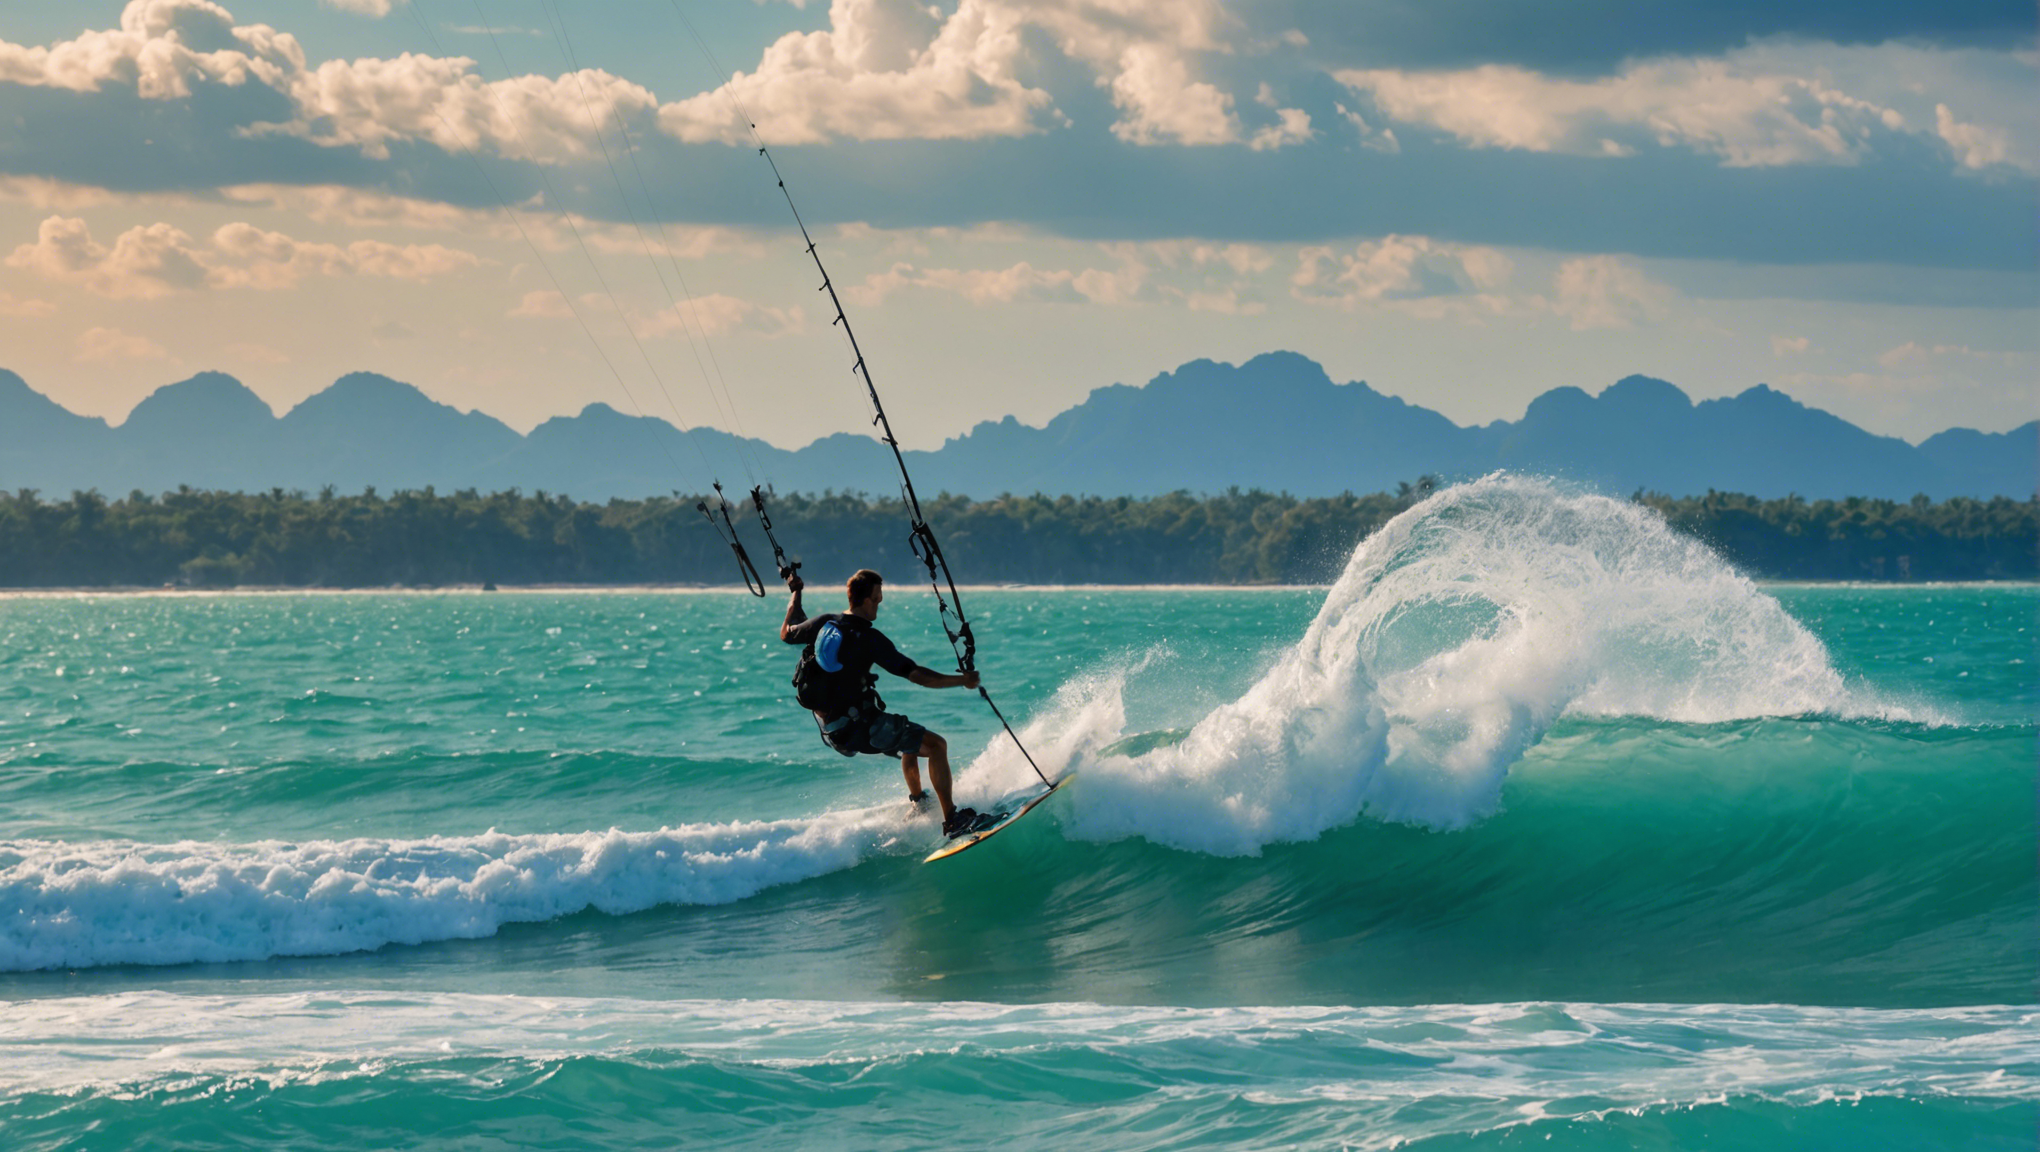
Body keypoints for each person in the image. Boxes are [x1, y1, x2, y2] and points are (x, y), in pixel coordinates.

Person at [780, 568, 992, 838]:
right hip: (862, 727)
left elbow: (787, 632)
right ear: (865, 599)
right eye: (877, 598)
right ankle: (952, 820)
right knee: (937, 745)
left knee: (909, 739)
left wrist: (796, 592)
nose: (879, 604)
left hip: (834, 730)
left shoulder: (825, 623)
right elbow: (918, 676)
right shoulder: (868, 638)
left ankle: (919, 803)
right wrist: (961, 681)